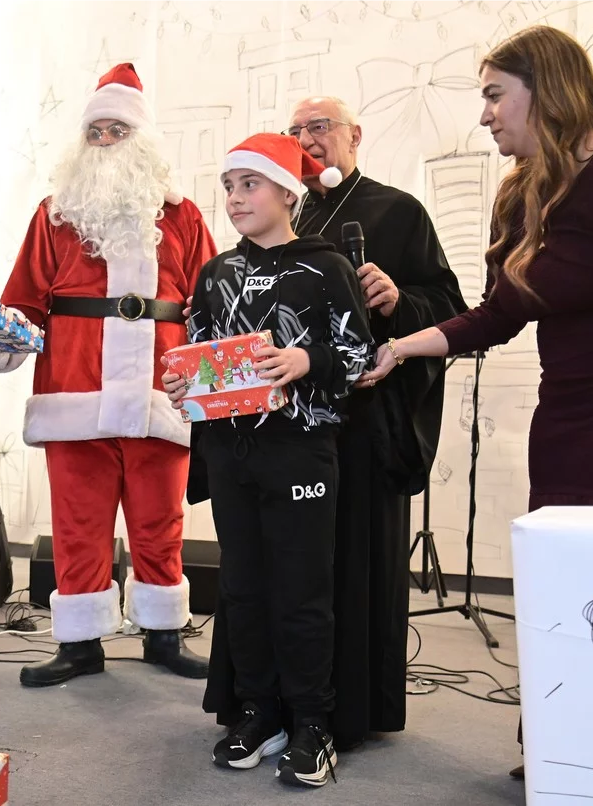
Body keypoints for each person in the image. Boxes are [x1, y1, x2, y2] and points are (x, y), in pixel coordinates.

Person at [361, 25, 593, 779]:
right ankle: (565, 742)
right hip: (570, 400)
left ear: (546, 88)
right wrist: (401, 346)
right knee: (566, 573)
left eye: (496, 95)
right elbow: (497, 314)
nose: (486, 114)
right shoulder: (523, 189)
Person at [199, 95, 468, 750]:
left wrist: (398, 301)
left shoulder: (397, 211)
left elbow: (451, 309)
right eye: (296, 130)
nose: (307, 138)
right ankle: (259, 706)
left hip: (350, 428)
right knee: (253, 578)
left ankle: (329, 718)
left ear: (354, 135)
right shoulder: (243, 247)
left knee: (315, 584)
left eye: (319, 127)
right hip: (254, 440)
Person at [0, 63, 216, 688]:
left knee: (160, 523)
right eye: (96, 132)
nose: (105, 142)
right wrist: (0, 338)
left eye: (117, 130)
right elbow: (23, 299)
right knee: (79, 524)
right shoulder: (54, 215)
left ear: (142, 141)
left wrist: (215, 379)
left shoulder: (182, 216)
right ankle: (79, 643)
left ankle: (162, 634)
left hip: (162, 394)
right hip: (74, 393)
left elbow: (214, 302)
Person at [166, 133, 372, 788]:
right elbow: (200, 353)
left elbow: (362, 356)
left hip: (301, 451)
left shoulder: (327, 267)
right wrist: (184, 385)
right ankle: (258, 712)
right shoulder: (216, 272)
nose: (234, 198)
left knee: (302, 592)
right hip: (232, 451)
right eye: (228, 186)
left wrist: (306, 359)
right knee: (243, 588)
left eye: (249, 185)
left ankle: (313, 722)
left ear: (287, 191)